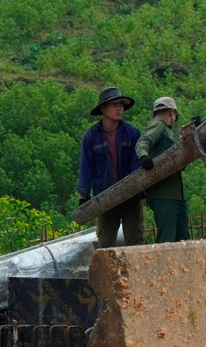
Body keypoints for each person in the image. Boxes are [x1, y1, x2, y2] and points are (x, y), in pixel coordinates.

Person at [77, 86, 145, 248]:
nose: (119, 108)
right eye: (114, 105)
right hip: (104, 198)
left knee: (136, 244)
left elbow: (136, 166)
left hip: (131, 197)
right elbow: (86, 166)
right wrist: (83, 196)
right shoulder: (91, 137)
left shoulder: (132, 133)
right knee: (105, 245)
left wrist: (137, 190)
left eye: (121, 105)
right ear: (102, 108)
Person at [136, 96, 190, 243]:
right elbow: (143, 142)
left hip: (174, 194)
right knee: (167, 240)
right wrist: (144, 157)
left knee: (182, 239)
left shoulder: (167, 132)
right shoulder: (159, 125)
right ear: (172, 113)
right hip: (164, 194)